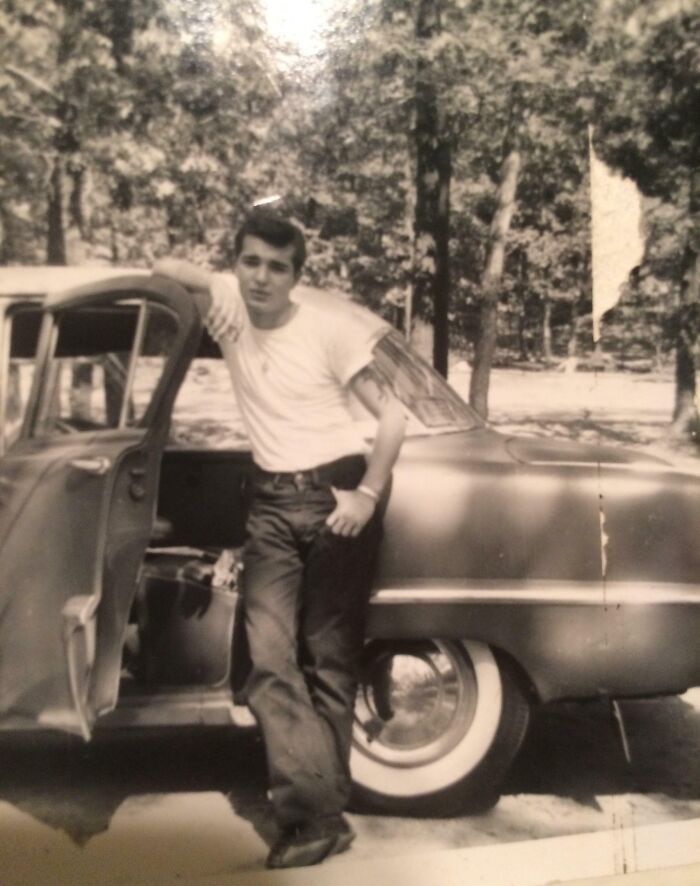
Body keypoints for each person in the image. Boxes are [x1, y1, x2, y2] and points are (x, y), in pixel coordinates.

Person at [154, 210, 406, 869]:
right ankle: (322, 815)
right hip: (269, 497)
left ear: (297, 276)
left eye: (277, 266)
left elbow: (392, 414)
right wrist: (212, 292)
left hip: (337, 492)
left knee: (328, 654)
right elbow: (163, 269)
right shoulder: (230, 298)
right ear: (235, 263)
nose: (262, 277)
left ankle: (316, 814)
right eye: (250, 262)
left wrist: (367, 495)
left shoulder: (325, 328)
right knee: (268, 659)